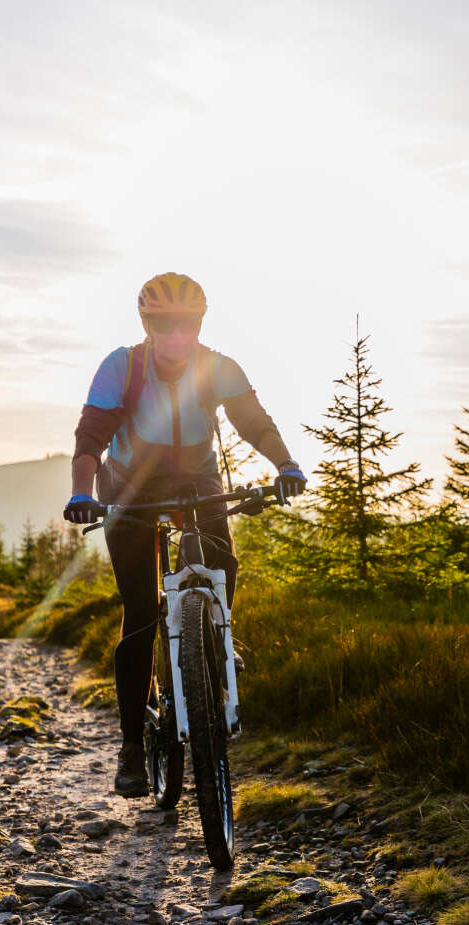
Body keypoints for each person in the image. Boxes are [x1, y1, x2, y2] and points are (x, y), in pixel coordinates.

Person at [64, 272, 306, 796]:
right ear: (147, 325)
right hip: (129, 490)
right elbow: (91, 438)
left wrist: (285, 463)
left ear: (199, 324)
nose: (177, 336)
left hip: (198, 484)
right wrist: (84, 494)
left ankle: (216, 636)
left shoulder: (218, 367)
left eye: (187, 325)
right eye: (163, 325)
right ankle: (132, 745)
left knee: (224, 567)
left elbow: (253, 421)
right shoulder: (122, 367)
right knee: (141, 614)